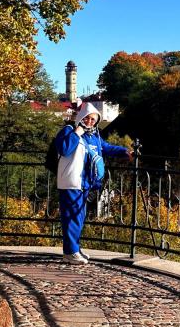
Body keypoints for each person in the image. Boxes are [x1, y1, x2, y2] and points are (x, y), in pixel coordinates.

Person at [55, 102, 131, 264]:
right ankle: (70, 252)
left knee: (79, 218)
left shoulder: (94, 136)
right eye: (87, 118)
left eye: (93, 120)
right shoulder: (68, 131)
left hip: (86, 183)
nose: (90, 122)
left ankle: (74, 249)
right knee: (72, 218)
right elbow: (64, 149)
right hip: (71, 181)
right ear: (81, 117)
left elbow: (106, 148)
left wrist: (125, 152)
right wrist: (77, 133)